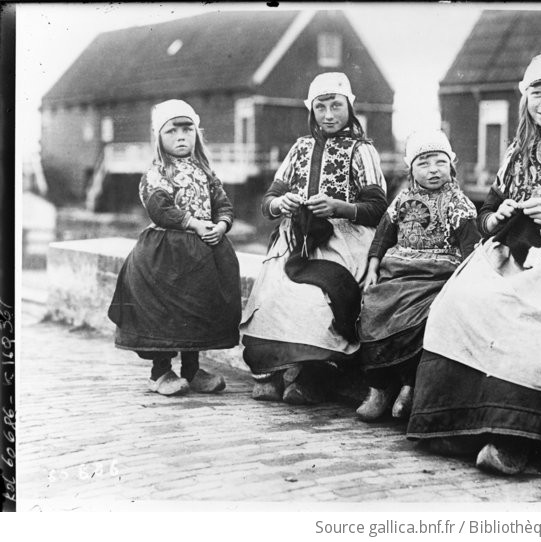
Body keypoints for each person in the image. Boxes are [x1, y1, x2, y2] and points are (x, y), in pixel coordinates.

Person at [407, 54, 541, 474]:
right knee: (457, 303)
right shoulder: (515, 152)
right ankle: (453, 425)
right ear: (525, 100)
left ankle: (511, 440)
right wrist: (498, 217)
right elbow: (484, 215)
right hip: (517, 249)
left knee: (527, 319)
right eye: (536, 93)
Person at [240, 72, 388, 405]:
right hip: (298, 239)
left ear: (349, 107)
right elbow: (269, 199)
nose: (329, 115)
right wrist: (282, 203)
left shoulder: (362, 150)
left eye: (336, 105)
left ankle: (312, 375)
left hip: (344, 240)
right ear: (312, 111)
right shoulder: (300, 148)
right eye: (320, 107)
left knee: (318, 299)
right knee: (275, 293)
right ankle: (274, 371)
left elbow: (378, 208)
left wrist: (340, 206)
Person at [108, 99, 242, 396]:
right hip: (165, 254)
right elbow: (160, 209)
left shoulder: (205, 171)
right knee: (165, 313)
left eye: (187, 129)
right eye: (172, 131)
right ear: (159, 136)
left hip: (203, 253)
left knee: (196, 311)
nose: (181, 137)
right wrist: (194, 223)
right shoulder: (157, 172)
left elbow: (223, 205)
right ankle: (160, 372)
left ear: (196, 133)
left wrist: (220, 226)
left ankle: (192, 371)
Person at [356, 130, 479, 421]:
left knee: (422, 319)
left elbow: (472, 249)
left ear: (452, 164)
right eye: (424, 163)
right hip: (398, 272)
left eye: (440, 161)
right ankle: (379, 388)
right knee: (373, 309)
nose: (433, 169)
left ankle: (410, 387)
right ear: (411, 168)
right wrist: (373, 268)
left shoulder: (459, 204)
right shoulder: (401, 201)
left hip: (437, 276)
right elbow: (382, 238)